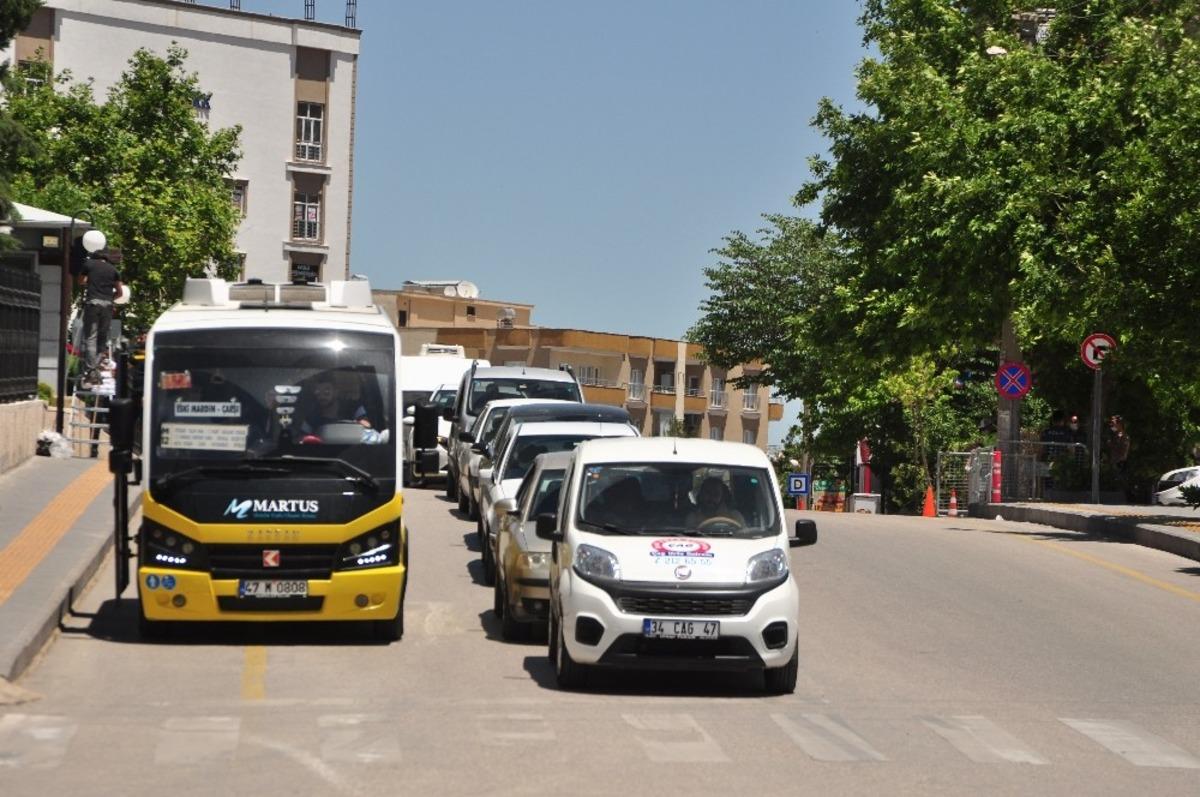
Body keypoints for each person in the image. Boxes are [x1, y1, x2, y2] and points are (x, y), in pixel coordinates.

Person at [78, 250, 122, 386]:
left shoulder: (89, 265)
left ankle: (91, 372)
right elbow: (120, 292)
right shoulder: (114, 270)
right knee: (102, 339)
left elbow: (81, 281)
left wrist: (89, 282)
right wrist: (110, 298)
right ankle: (95, 370)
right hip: (107, 306)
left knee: (91, 337)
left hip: (93, 304)